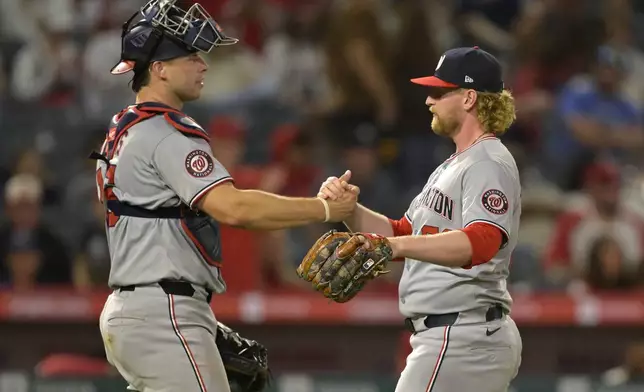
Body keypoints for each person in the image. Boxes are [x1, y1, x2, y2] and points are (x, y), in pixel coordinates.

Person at [94, 1, 356, 391]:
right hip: (162, 311)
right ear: (159, 69)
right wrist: (323, 208)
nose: (203, 65)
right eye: (190, 56)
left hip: (145, 307)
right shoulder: (166, 134)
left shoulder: (126, 129)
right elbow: (233, 207)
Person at [318, 47, 523, 392]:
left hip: (461, 336)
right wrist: (350, 210)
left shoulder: (487, 161)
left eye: (440, 91)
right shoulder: (456, 164)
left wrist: (391, 245)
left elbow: (482, 241)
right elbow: (404, 233)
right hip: (456, 335)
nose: (429, 100)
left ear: (470, 98)